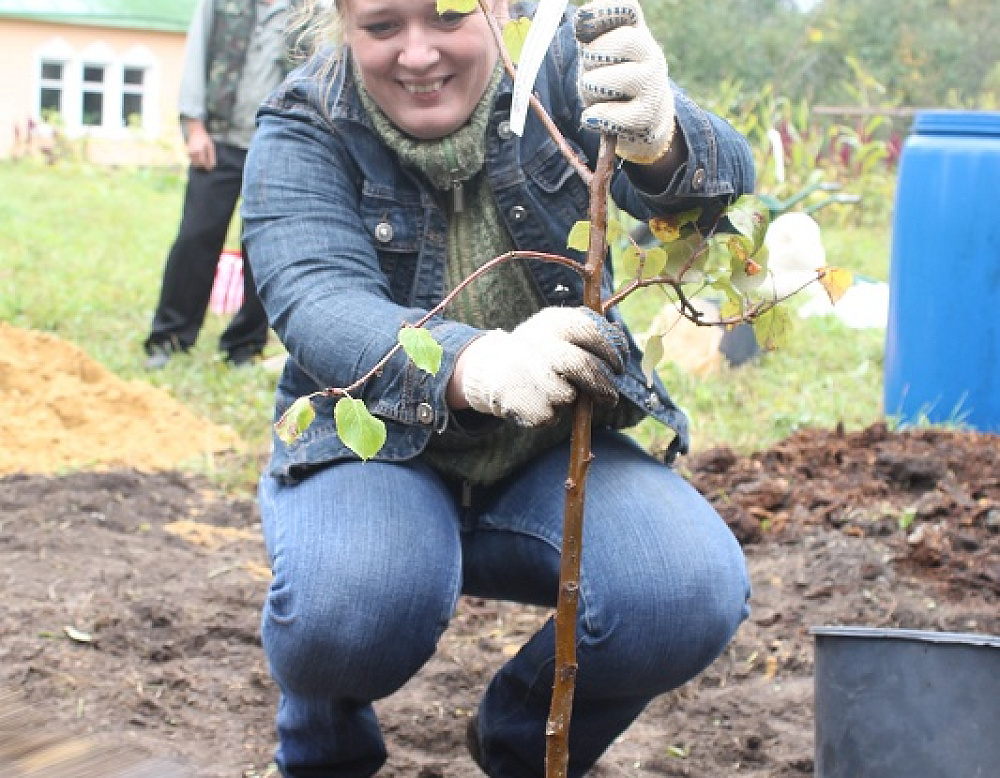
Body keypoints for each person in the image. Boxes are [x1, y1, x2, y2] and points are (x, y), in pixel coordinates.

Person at [241, 0, 755, 774]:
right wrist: (475, 364)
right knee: (352, 605)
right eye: (382, 27)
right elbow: (318, 301)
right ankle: (325, 756)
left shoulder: (556, 72)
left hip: (546, 451)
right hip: (372, 451)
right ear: (343, 24)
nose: (418, 53)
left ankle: (521, 745)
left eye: (448, 16)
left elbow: (710, 203)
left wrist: (662, 143)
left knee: (683, 592)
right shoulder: (304, 123)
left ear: (502, 7)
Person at [143, 0, 297, 369]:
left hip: (277, 145)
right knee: (196, 237)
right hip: (218, 140)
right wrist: (194, 126)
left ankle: (244, 346)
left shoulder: (308, 8)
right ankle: (170, 337)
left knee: (264, 250)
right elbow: (197, 56)